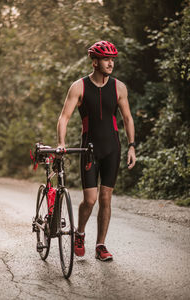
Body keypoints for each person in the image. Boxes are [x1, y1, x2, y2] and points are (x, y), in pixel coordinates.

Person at [57, 41, 136, 261]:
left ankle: (101, 245)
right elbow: (64, 117)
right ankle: (80, 232)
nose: (111, 63)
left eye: (112, 59)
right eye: (106, 59)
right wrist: (61, 142)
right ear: (95, 62)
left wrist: (132, 146)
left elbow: (127, 118)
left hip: (112, 148)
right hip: (89, 148)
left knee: (106, 197)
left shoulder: (119, 87)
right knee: (90, 199)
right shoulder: (79, 87)